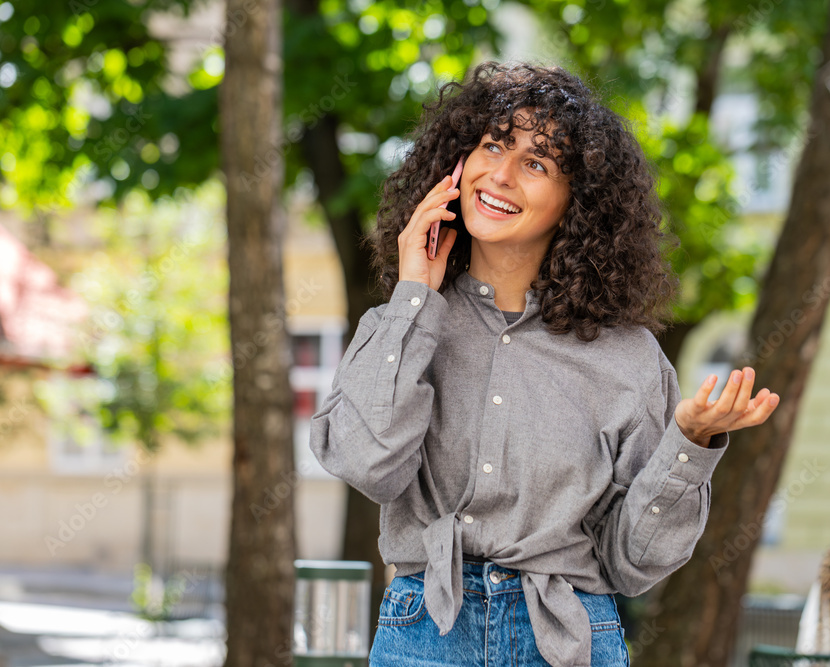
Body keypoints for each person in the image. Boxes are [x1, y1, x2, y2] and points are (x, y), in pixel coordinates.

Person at [308, 61, 780, 667]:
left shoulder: (629, 360)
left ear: (576, 203)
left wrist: (689, 442)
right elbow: (369, 466)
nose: (500, 175)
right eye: (493, 145)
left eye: (536, 163)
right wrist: (413, 299)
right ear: (456, 162)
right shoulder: (397, 325)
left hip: (569, 639)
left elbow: (632, 564)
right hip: (424, 631)